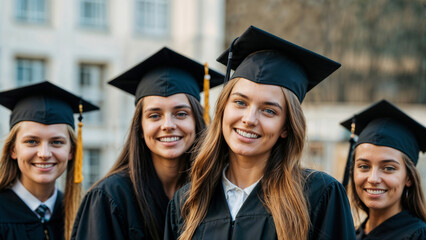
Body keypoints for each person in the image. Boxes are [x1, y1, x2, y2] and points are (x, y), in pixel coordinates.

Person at [165, 26, 356, 240]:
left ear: (286, 127)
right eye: (239, 102)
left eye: (269, 110)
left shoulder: (319, 195)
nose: (249, 119)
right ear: (223, 110)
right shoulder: (188, 202)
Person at [71, 47, 223, 240]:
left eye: (181, 114)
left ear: (197, 121)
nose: (167, 125)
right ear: (140, 127)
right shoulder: (109, 198)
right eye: (154, 115)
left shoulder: (214, 192)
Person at [0, 81, 99, 240]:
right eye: (32, 141)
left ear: (71, 151)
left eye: (57, 142)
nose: (44, 154)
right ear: (13, 150)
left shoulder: (83, 215)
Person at [340, 99, 426, 240]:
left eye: (388, 168)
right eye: (364, 166)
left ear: (409, 178)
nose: (373, 179)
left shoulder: (417, 235)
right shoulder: (351, 234)